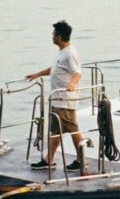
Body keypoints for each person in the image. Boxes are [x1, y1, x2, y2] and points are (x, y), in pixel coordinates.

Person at [26, 20, 84, 173]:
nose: (51, 37)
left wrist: (72, 84)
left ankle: (81, 160)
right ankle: (48, 160)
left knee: (73, 130)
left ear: (59, 37)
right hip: (57, 100)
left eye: (53, 34)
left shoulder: (70, 53)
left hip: (65, 101)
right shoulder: (63, 52)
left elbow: (77, 72)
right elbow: (55, 69)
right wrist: (38, 74)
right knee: (56, 131)